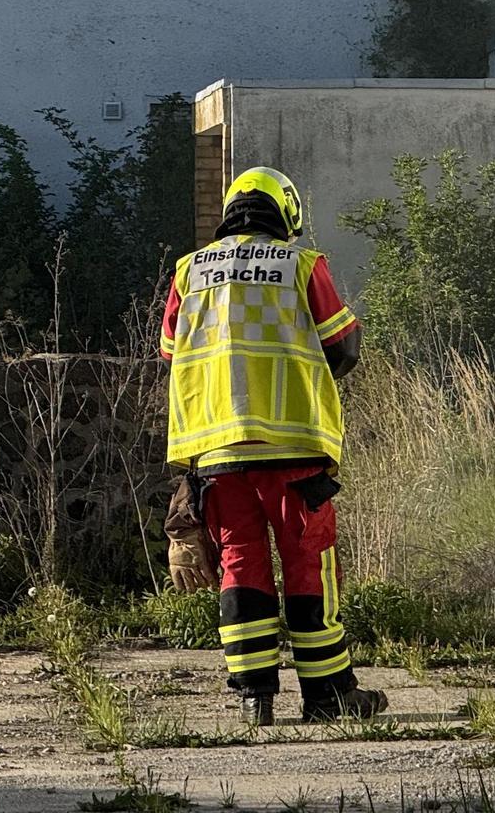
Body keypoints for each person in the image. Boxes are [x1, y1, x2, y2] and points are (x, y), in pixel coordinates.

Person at [160, 167, 388, 727]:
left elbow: (170, 352)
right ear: (286, 214)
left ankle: (254, 695)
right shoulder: (302, 264)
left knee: (240, 564)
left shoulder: (189, 272)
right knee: (310, 566)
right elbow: (344, 344)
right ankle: (329, 697)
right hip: (293, 450)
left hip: (217, 454)